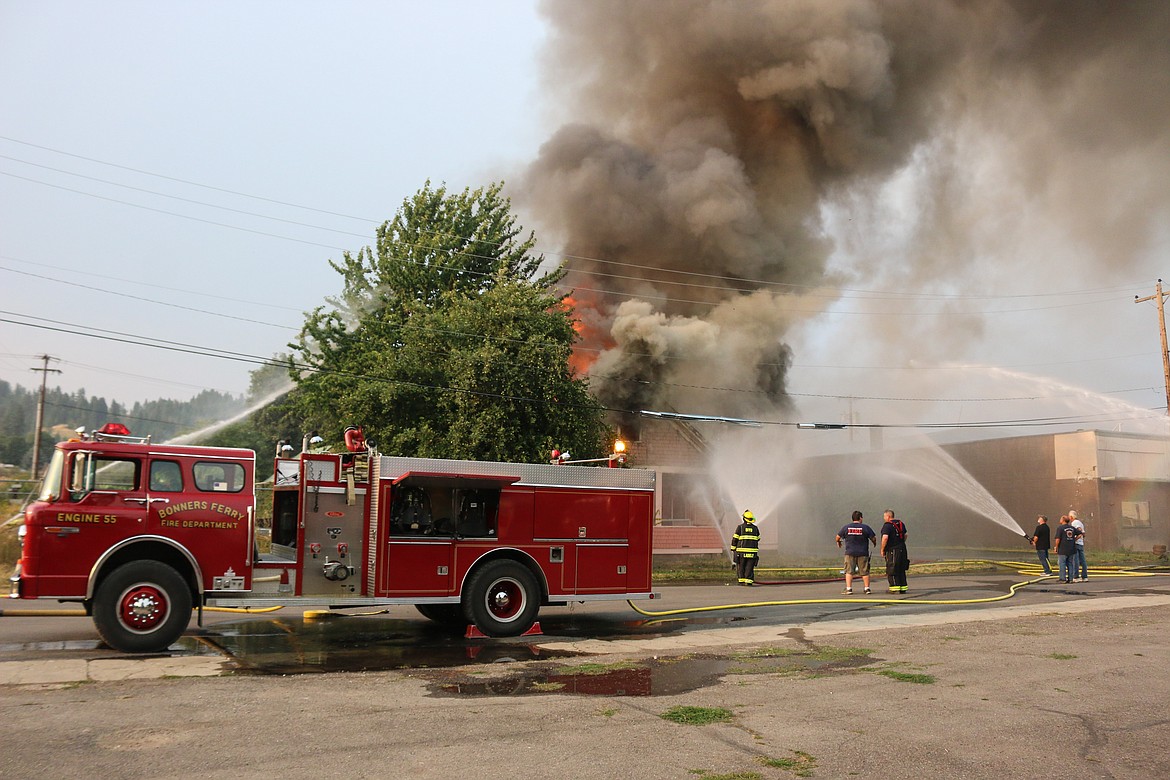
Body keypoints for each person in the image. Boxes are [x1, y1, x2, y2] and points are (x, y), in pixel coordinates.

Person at [836, 510, 877, 595]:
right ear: (860, 518)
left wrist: (839, 542)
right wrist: (874, 543)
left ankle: (849, 589)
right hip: (863, 553)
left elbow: (837, 537)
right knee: (865, 571)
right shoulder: (865, 527)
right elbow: (873, 537)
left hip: (850, 552)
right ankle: (867, 588)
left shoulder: (846, 527)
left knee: (849, 571)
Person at [880, 509, 909, 593]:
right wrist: (901, 541)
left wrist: (882, 549)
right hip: (902, 549)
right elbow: (906, 535)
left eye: (884, 516)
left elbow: (885, 538)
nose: (884, 518)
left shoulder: (887, 525)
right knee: (901, 568)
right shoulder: (900, 523)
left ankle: (894, 588)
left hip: (892, 550)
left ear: (888, 516)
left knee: (892, 568)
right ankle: (903, 587)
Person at [731, 509, 761, 586]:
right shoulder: (755, 528)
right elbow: (758, 538)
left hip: (741, 552)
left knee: (741, 566)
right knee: (749, 567)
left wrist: (733, 548)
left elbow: (735, 539)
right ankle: (749, 581)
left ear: (744, 518)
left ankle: (741, 581)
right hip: (752, 552)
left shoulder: (740, 528)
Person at [1053, 515, 1082, 583]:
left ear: (1063, 520)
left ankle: (1062, 578)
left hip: (1063, 549)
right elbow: (1080, 534)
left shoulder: (1060, 528)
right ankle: (1070, 579)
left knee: (1062, 563)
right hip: (1072, 548)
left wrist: (1056, 547)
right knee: (1070, 563)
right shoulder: (1072, 528)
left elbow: (1058, 539)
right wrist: (1074, 540)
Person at [1069, 510, 1088, 582]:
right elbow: (1083, 533)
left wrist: (1074, 540)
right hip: (1081, 543)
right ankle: (1084, 576)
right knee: (1082, 560)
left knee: (1075, 560)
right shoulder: (1080, 523)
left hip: (1076, 544)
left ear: (1071, 517)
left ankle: (1076, 576)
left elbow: (1080, 533)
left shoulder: (1075, 523)